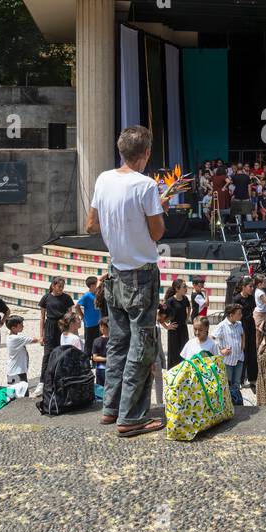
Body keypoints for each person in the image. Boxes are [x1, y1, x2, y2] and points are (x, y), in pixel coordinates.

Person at [86, 125, 167, 437]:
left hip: (115, 271)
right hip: (141, 274)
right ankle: (131, 417)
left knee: (118, 343)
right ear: (145, 154)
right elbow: (157, 233)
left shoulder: (104, 179)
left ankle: (111, 408)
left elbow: (91, 224)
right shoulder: (145, 185)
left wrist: (119, 222)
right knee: (141, 345)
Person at [36, 277, 73, 382]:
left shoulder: (67, 298)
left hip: (63, 326)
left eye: (63, 286)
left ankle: (62, 378)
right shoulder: (46, 298)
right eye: (59, 286)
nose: (61, 288)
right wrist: (41, 335)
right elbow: (42, 317)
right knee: (48, 354)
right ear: (53, 286)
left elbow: (70, 315)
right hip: (50, 326)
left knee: (63, 352)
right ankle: (43, 381)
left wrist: (72, 332)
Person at [211, 303, 246, 404]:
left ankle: (236, 402)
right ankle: (227, 404)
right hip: (228, 361)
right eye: (239, 313)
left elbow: (242, 333)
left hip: (239, 358)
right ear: (231, 315)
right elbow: (212, 338)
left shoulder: (239, 324)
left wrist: (243, 344)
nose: (241, 315)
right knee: (227, 383)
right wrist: (221, 351)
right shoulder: (222, 326)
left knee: (236, 383)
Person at [76, 275, 105, 358]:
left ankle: (95, 357)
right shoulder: (87, 296)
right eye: (97, 284)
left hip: (98, 322)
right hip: (89, 323)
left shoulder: (97, 294)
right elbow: (77, 306)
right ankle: (87, 359)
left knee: (98, 341)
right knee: (89, 342)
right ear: (92, 286)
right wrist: (82, 316)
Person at [2, 316, 37, 386]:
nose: (23, 326)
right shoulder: (17, 338)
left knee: (13, 395)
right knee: (22, 395)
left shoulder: (11, 337)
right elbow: (35, 340)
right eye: (21, 325)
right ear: (13, 328)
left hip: (13, 371)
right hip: (17, 372)